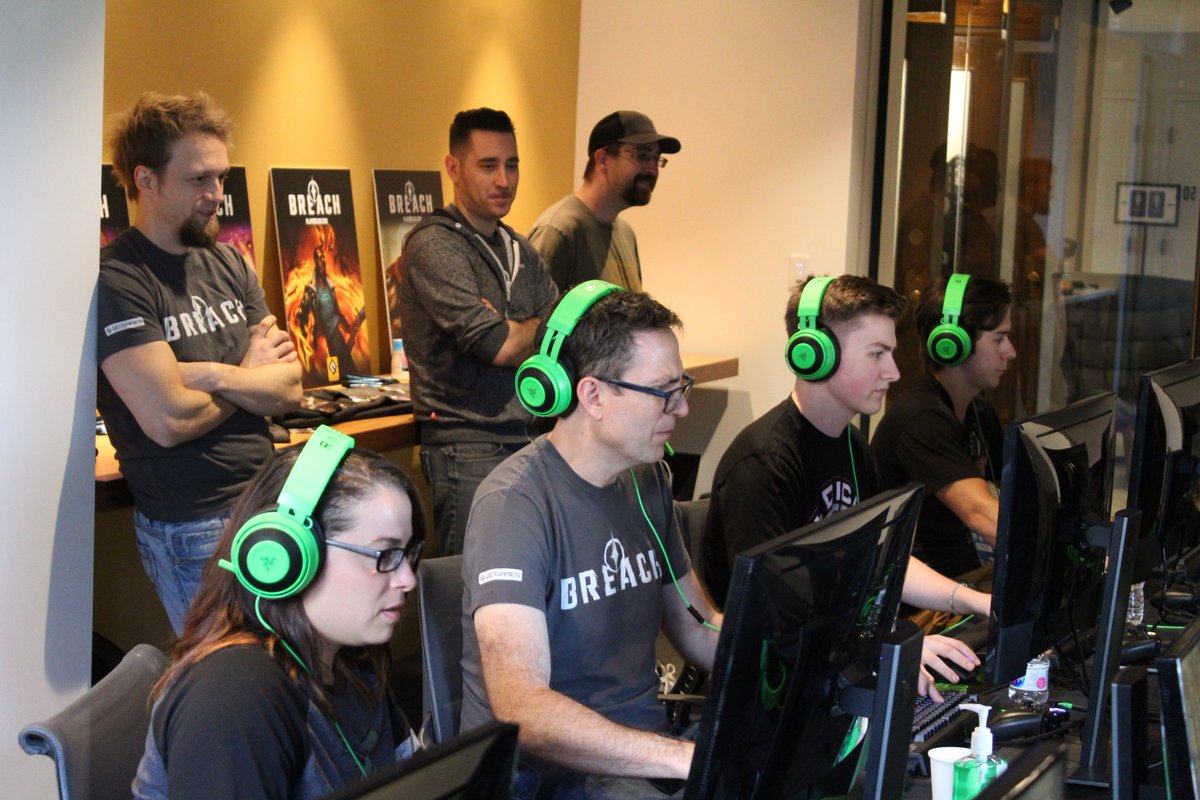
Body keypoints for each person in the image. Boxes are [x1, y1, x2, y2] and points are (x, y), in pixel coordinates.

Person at [461, 284, 721, 797]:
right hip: (555, 779)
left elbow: (698, 625)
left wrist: (792, 657)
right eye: (664, 391)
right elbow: (522, 708)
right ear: (593, 395)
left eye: (682, 386)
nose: (682, 408)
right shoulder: (514, 506)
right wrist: (680, 758)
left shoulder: (649, 479)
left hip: (641, 758)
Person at [702, 275, 989, 701]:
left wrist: (972, 601)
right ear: (814, 354)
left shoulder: (853, 446)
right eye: (877, 354)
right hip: (774, 689)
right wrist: (880, 649)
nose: (893, 372)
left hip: (834, 667)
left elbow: (881, 559)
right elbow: (777, 614)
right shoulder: (763, 463)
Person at [98, 91, 302, 633]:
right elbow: (169, 420)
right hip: (194, 526)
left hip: (270, 499)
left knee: (292, 670)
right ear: (146, 180)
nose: (216, 195)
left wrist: (213, 374)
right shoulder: (118, 278)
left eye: (221, 178)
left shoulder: (229, 261)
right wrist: (249, 376)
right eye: (198, 180)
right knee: (230, 676)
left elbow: (289, 388)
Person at [132, 427, 425, 799]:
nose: (407, 579)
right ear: (290, 554)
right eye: (385, 555)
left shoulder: (351, 661)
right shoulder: (234, 697)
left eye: (407, 553)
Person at [399, 107, 559, 557]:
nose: (504, 180)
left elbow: (563, 332)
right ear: (453, 168)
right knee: (470, 582)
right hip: (465, 447)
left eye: (512, 165)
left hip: (529, 436)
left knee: (526, 574)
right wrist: (531, 327)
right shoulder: (434, 245)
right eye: (488, 165)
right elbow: (499, 346)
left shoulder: (519, 248)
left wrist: (524, 328)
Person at [872, 274, 1015, 580]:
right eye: (999, 338)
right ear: (953, 344)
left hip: (965, 581)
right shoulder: (921, 420)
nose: (1010, 351)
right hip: (922, 596)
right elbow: (985, 517)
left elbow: (1020, 491)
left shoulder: (980, 413)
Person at [529, 111, 680, 292]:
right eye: (642, 156)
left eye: (656, 158)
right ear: (602, 159)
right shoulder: (558, 231)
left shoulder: (626, 234)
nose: (653, 170)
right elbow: (530, 309)